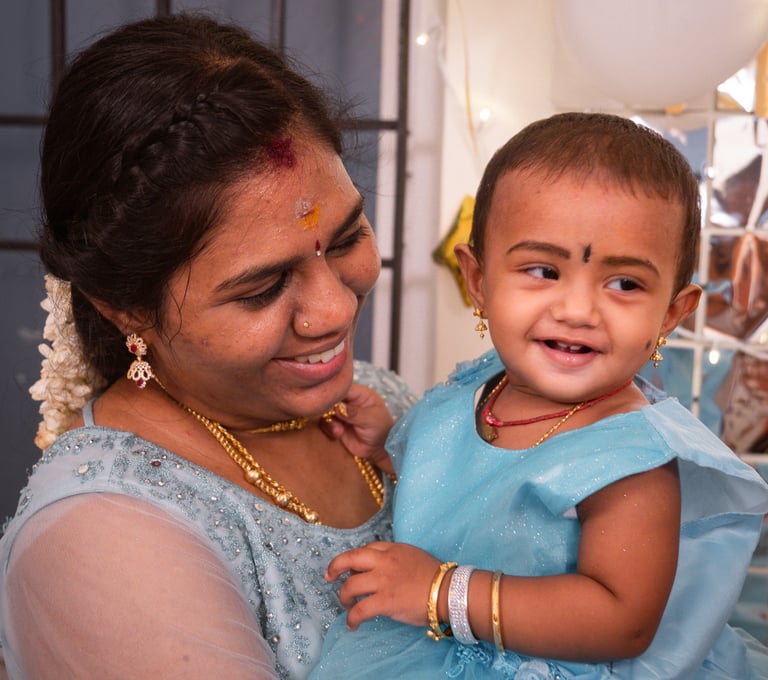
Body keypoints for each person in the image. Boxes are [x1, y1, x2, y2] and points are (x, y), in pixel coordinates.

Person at [0, 13, 415, 680]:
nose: (335, 309)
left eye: (345, 238)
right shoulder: (105, 539)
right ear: (126, 306)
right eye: (264, 287)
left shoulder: (373, 403)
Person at [310, 113, 768, 679]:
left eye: (625, 284)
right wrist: (388, 446)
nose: (577, 311)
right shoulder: (479, 387)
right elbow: (465, 492)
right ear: (478, 282)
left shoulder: (630, 457)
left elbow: (621, 621)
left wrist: (440, 591)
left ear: (672, 313)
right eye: (543, 270)